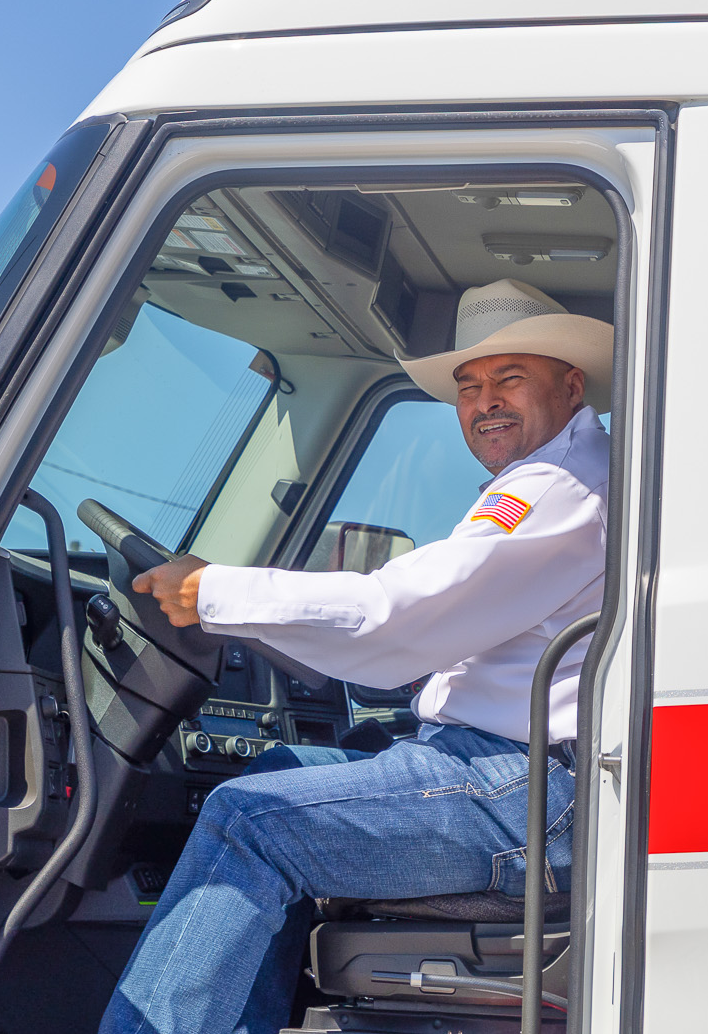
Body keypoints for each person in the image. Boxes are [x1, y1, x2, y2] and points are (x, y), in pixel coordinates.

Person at [98, 278, 614, 1034]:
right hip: (503, 771)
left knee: (248, 821)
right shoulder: (564, 478)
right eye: (470, 388)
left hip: (522, 794)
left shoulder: (557, 486)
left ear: (571, 385)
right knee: (276, 778)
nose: (484, 404)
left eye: (510, 379)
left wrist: (212, 590)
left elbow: (395, 617)